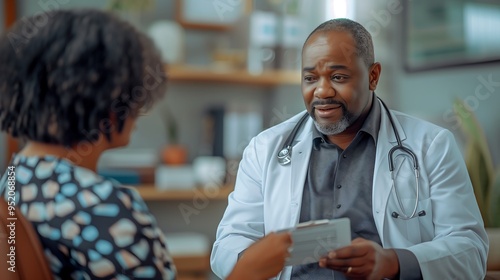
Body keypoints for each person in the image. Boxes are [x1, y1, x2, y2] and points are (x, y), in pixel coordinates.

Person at [0, 9, 292, 280]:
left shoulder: (13, 179)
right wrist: (246, 272)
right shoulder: (105, 207)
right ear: (104, 101)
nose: (140, 106)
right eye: (132, 94)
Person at [211, 18, 489, 280]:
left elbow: (471, 251)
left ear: (373, 76)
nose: (322, 91)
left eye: (338, 77)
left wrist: (392, 261)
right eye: (310, 79)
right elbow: (226, 245)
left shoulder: (431, 145)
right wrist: (254, 258)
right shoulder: (265, 149)